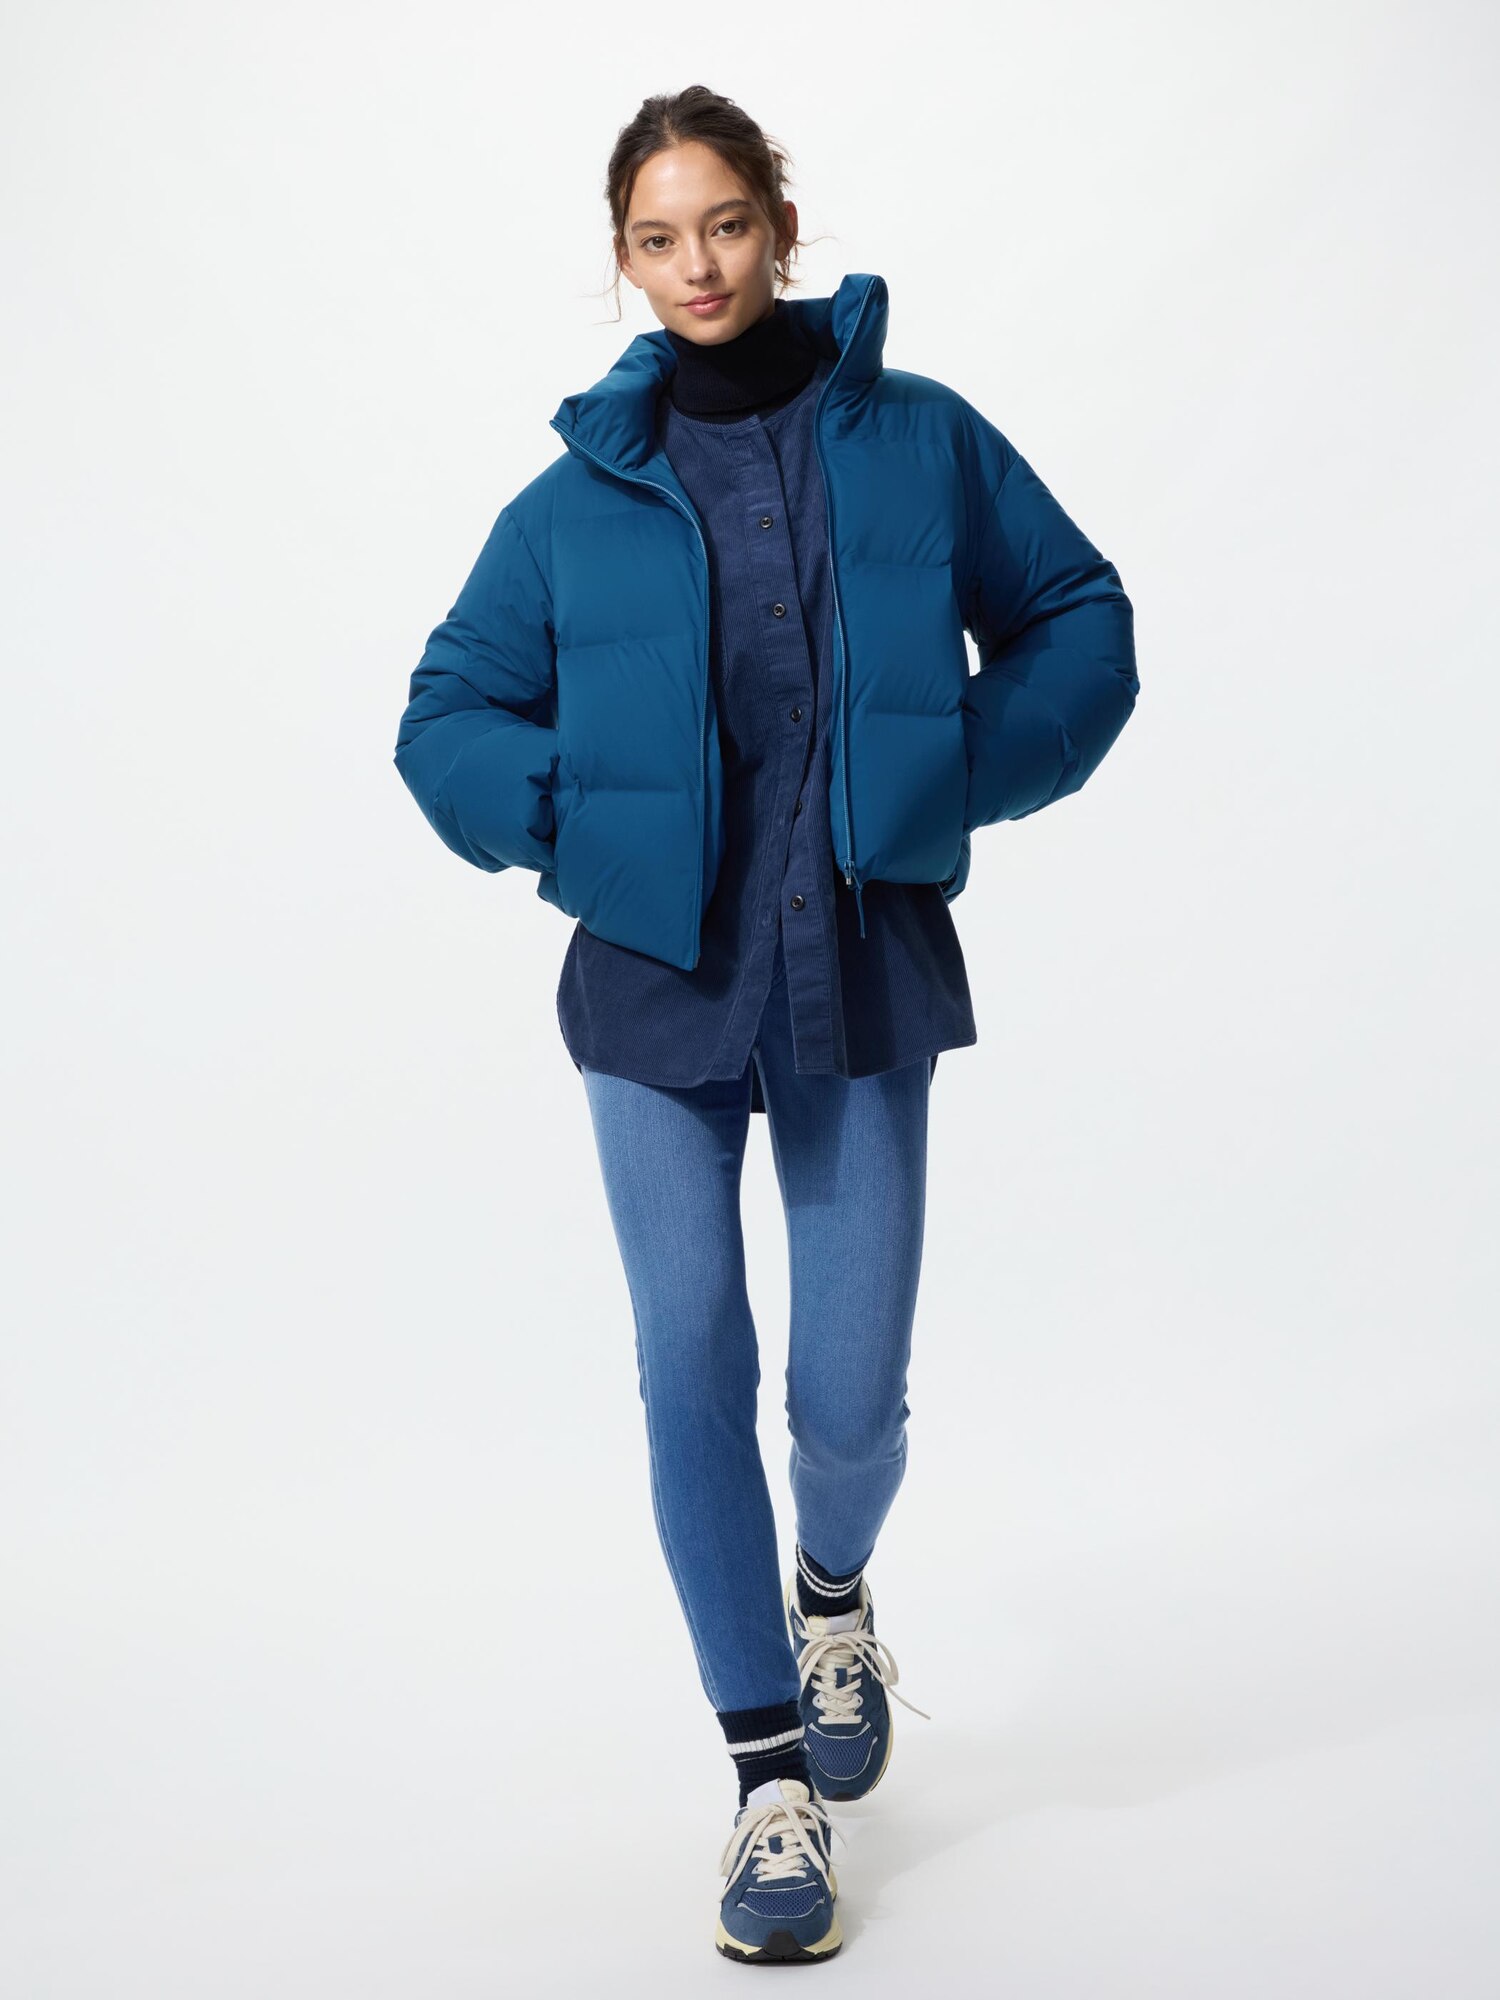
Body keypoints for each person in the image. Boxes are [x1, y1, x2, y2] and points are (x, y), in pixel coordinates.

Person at [393, 84, 1138, 1966]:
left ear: (779, 226)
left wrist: (951, 772)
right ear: (624, 260)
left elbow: (1081, 615)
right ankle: (766, 1784)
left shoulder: (919, 438)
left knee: (851, 1393)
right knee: (687, 1365)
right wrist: (570, 817)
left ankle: (834, 1593)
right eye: (658, 238)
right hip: (653, 985)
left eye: (725, 223)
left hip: (859, 962)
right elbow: (445, 713)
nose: (699, 265)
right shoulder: (572, 505)